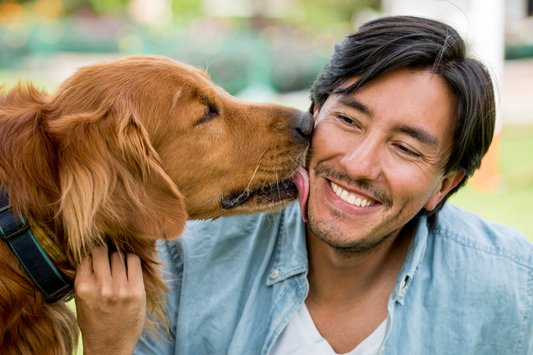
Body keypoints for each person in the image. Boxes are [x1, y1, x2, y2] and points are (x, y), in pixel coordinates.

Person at [76, 16, 533, 355]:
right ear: (315, 113)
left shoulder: (514, 287)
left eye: (406, 149)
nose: (358, 165)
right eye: (349, 120)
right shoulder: (177, 258)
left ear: (444, 186)